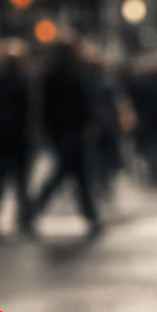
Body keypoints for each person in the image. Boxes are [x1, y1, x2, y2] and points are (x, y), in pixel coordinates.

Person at [31, 42, 101, 234]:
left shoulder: (50, 73)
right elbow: (84, 102)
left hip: (60, 131)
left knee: (73, 174)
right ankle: (90, 216)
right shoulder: (75, 74)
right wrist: (89, 124)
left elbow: (43, 105)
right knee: (70, 174)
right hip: (72, 131)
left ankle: (90, 216)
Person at [0, 39, 34, 236]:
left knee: (6, 176)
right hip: (10, 134)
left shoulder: (2, 79)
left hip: (7, 133)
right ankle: (20, 214)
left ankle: (9, 212)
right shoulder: (21, 79)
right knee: (13, 176)